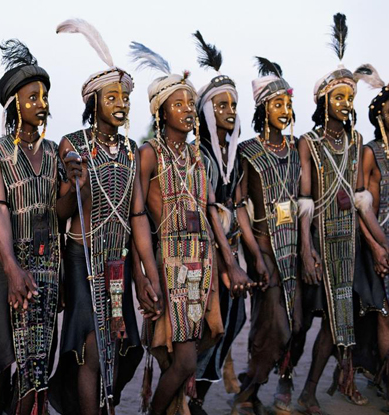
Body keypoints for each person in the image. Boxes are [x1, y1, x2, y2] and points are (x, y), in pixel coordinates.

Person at [128, 41, 254, 415]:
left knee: (210, 334)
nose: (186, 110)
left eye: (189, 103)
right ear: (160, 111)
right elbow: (137, 218)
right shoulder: (149, 152)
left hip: (204, 264)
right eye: (177, 104)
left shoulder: (196, 157)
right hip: (170, 263)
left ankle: (178, 405)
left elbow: (210, 210)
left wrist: (230, 262)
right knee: (182, 359)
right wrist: (147, 273)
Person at [50, 19, 161, 415]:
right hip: (83, 261)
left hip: (120, 263)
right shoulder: (73, 144)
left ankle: (102, 406)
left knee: (119, 344)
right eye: (111, 96)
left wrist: (147, 274)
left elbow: (137, 216)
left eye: (125, 97)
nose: (121, 103)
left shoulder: (133, 151)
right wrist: (76, 183)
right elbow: (62, 207)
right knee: (90, 348)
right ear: (93, 102)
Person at [291, 13, 389, 414]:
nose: (346, 104)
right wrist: (306, 250)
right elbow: (305, 201)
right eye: (339, 97)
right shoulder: (308, 143)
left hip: (352, 241)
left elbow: (361, 199)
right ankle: (305, 386)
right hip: (322, 242)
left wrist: (379, 245)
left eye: (350, 97)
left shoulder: (359, 141)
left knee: (342, 321)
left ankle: (337, 382)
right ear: (323, 101)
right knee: (319, 322)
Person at [0, 38, 74, 415]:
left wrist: (76, 183)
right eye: (32, 97)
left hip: (47, 264)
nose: (41, 104)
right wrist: (12, 267)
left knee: (37, 364)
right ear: (14, 102)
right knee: (3, 359)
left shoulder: (53, 153)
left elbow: (60, 212)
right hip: (5, 262)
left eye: (44, 97)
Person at [234, 57, 301, 415]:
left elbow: (305, 200)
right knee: (271, 322)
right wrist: (255, 255)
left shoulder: (296, 150)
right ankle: (251, 386)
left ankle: (283, 382)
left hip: (296, 248)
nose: (285, 110)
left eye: (288, 104)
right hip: (264, 246)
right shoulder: (248, 151)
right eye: (277, 104)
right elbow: (239, 203)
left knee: (298, 320)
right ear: (263, 108)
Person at [191, 32, 247, 414]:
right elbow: (208, 212)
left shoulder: (236, 155)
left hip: (231, 253)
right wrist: (228, 264)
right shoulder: (199, 155)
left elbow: (238, 207)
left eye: (233, 104)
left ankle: (199, 393)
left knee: (234, 318)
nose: (228, 110)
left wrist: (248, 259)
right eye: (220, 104)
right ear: (206, 112)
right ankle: (189, 396)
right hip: (204, 256)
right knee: (207, 327)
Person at [357, 65, 389, 410]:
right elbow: (360, 203)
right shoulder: (372, 151)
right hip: (381, 243)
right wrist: (377, 247)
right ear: (379, 113)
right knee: (384, 313)